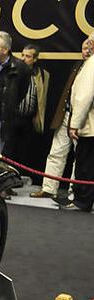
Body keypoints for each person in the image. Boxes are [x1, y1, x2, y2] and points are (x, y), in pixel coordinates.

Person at [31, 37, 93, 202]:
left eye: (90, 48)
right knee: (56, 152)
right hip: (66, 114)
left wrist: (77, 121)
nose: (87, 51)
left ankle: (74, 193)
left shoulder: (91, 67)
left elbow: (85, 97)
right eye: (84, 48)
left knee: (80, 159)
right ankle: (49, 188)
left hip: (84, 119)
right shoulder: (78, 65)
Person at [7, 44, 50, 174]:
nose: (23, 59)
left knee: (23, 151)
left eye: (28, 56)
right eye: (22, 55)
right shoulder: (13, 71)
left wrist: (38, 117)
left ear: (35, 59)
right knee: (8, 150)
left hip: (28, 119)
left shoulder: (42, 75)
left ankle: (18, 176)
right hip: (12, 117)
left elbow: (42, 98)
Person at [68, 39, 94, 213]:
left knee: (85, 165)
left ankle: (81, 202)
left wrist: (75, 124)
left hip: (90, 126)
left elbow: (84, 96)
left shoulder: (92, 64)